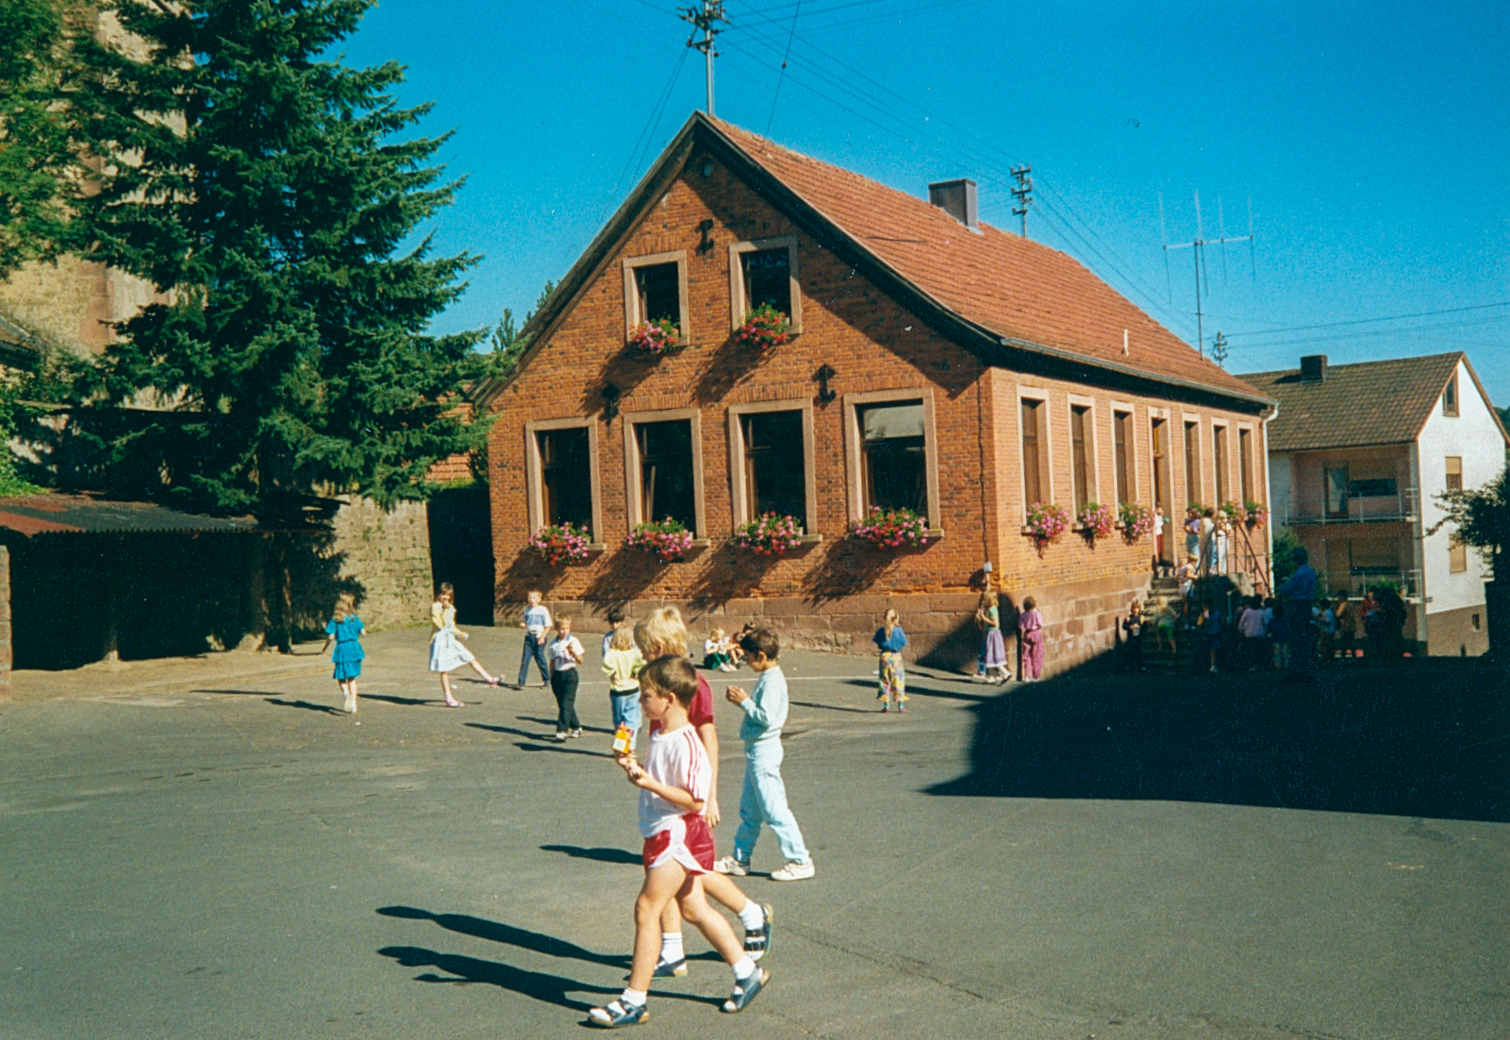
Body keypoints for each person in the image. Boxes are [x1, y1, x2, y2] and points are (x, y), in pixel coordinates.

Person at [587, 656, 770, 1028]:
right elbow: (660, 781)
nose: (641, 701)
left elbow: (695, 801)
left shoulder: (688, 742)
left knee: (646, 908)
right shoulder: (660, 734)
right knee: (693, 908)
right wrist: (634, 769)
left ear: (668, 699)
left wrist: (650, 784)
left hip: (678, 834)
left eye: (646, 694)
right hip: (662, 829)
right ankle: (747, 972)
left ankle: (634, 1000)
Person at [635, 608, 771, 980]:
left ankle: (750, 913)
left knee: (691, 873)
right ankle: (673, 950)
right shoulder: (658, 683)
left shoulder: (690, 684)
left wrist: (710, 796)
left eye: (644, 650)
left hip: (686, 799)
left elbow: (708, 738)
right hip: (666, 799)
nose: (642, 657)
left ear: (658, 646)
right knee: (667, 877)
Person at [715, 627, 815, 881]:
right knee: (750, 810)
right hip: (757, 750)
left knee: (774, 809)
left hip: (764, 750)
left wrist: (744, 702)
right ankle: (740, 858)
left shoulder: (771, 681)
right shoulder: (769, 677)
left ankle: (800, 860)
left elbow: (767, 718)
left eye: (748, 658)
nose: (746, 662)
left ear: (760, 655)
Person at [430, 583, 500, 707]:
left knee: (469, 657)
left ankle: (490, 679)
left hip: (450, 639)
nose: (445, 597)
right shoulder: (435, 607)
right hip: (440, 640)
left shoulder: (451, 608)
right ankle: (449, 699)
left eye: (448, 595)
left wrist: (459, 633)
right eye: (443, 594)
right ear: (438, 594)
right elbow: (440, 625)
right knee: (444, 670)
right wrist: (445, 611)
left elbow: (451, 626)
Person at [1278, 546, 1319, 678]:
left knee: (1295, 638)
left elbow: (1286, 589)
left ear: (1295, 560)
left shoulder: (1298, 574)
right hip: (1307, 605)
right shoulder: (1311, 572)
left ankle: (1296, 670)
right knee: (1304, 637)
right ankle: (1306, 669)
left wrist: (1282, 586)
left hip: (1295, 605)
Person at [321, 593, 365, 714]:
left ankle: (346, 694)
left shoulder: (335, 620)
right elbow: (364, 632)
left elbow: (331, 637)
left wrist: (325, 647)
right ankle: (354, 704)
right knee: (352, 678)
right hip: (354, 648)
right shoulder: (354, 619)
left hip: (342, 648)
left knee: (341, 676)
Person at [602, 625, 646, 742]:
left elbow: (607, 664)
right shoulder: (635, 653)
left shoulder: (612, 653)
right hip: (633, 690)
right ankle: (630, 745)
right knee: (632, 720)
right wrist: (635, 673)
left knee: (620, 721)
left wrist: (613, 673)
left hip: (618, 692)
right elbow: (641, 666)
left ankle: (622, 745)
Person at [548, 617, 585, 741]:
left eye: (567, 628)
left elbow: (581, 660)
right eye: (561, 629)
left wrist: (573, 652)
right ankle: (576, 726)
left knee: (566, 703)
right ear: (556, 629)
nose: (564, 631)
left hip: (570, 674)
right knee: (563, 703)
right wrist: (551, 677)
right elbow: (552, 662)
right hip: (558, 675)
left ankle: (562, 730)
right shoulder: (553, 644)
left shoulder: (573, 641)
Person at [873, 608, 909, 712]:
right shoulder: (899, 631)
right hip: (896, 657)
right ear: (896, 618)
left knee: (884, 680)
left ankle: (886, 706)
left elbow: (878, 644)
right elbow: (903, 643)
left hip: (885, 656)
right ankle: (900, 706)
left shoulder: (881, 631)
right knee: (898, 680)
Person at [516, 590, 552, 689]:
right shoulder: (527, 610)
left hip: (539, 636)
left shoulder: (543, 610)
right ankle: (521, 682)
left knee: (540, 659)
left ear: (539, 599)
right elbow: (525, 622)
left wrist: (542, 636)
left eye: (534, 598)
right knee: (525, 659)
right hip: (529, 637)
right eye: (530, 598)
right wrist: (523, 624)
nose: (531, 600)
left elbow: (548, 626)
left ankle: (547, 680)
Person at [974, 590, 1010, 683]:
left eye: (986, 598)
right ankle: (992, 676)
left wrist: (984, 618)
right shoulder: (990, 609)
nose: (984, 600)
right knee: (989, 655)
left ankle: (1005, 673)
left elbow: (995, 623)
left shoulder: (992, 609)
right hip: (989, 633)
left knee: (991, 654)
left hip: (992, 634)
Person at [1017, 596, 1045, 682]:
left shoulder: (1023, 615)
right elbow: (1041, 624)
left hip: (1027, 634)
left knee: (1027, 655)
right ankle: (1035, 676)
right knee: (1036, 655)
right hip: (1036, 633)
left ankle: (1027, 676)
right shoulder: (1037, 614)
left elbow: (1020, 626)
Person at [1121, 601, 1144, 673]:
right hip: (1131, 637)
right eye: (1133, 608)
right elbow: (1124, 626)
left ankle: (1140, 666)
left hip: (1138, 638)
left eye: (1136, 608)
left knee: (1138, 652)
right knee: (1130, 652)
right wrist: (1129, 627)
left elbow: (1145, 627)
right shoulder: (1128, 618)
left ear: (1139, 609)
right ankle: (1130, 666)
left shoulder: (1141, 618)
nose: (1135, 610)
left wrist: (1140, 628)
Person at [1199, 603, 1222, 675]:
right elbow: (1199, 624)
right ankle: (1210, 666)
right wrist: (1203, 618)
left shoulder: (1217, 614)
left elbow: (1220, 623)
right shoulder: (1203, 615)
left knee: (1213, 651)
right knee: (1208, 651)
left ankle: (1213, 667)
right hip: (1207, 635)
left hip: (1215, 634)